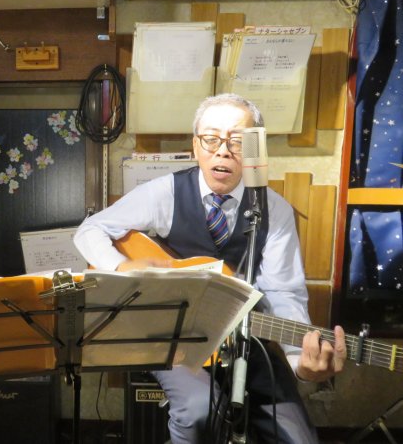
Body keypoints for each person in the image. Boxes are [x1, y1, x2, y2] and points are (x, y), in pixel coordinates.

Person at [73, 93, 347, 443]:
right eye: (211, 139)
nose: (223, 151)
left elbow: (283, 292)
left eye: (237, 141)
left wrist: (300, 362)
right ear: (195, 146)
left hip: (245, 338)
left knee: (299, 439)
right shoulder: (165, 193)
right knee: (198, 410)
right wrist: (124, 267)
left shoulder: (274, 210)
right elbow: (90, 231)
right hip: (175, 338)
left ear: (255, 150)